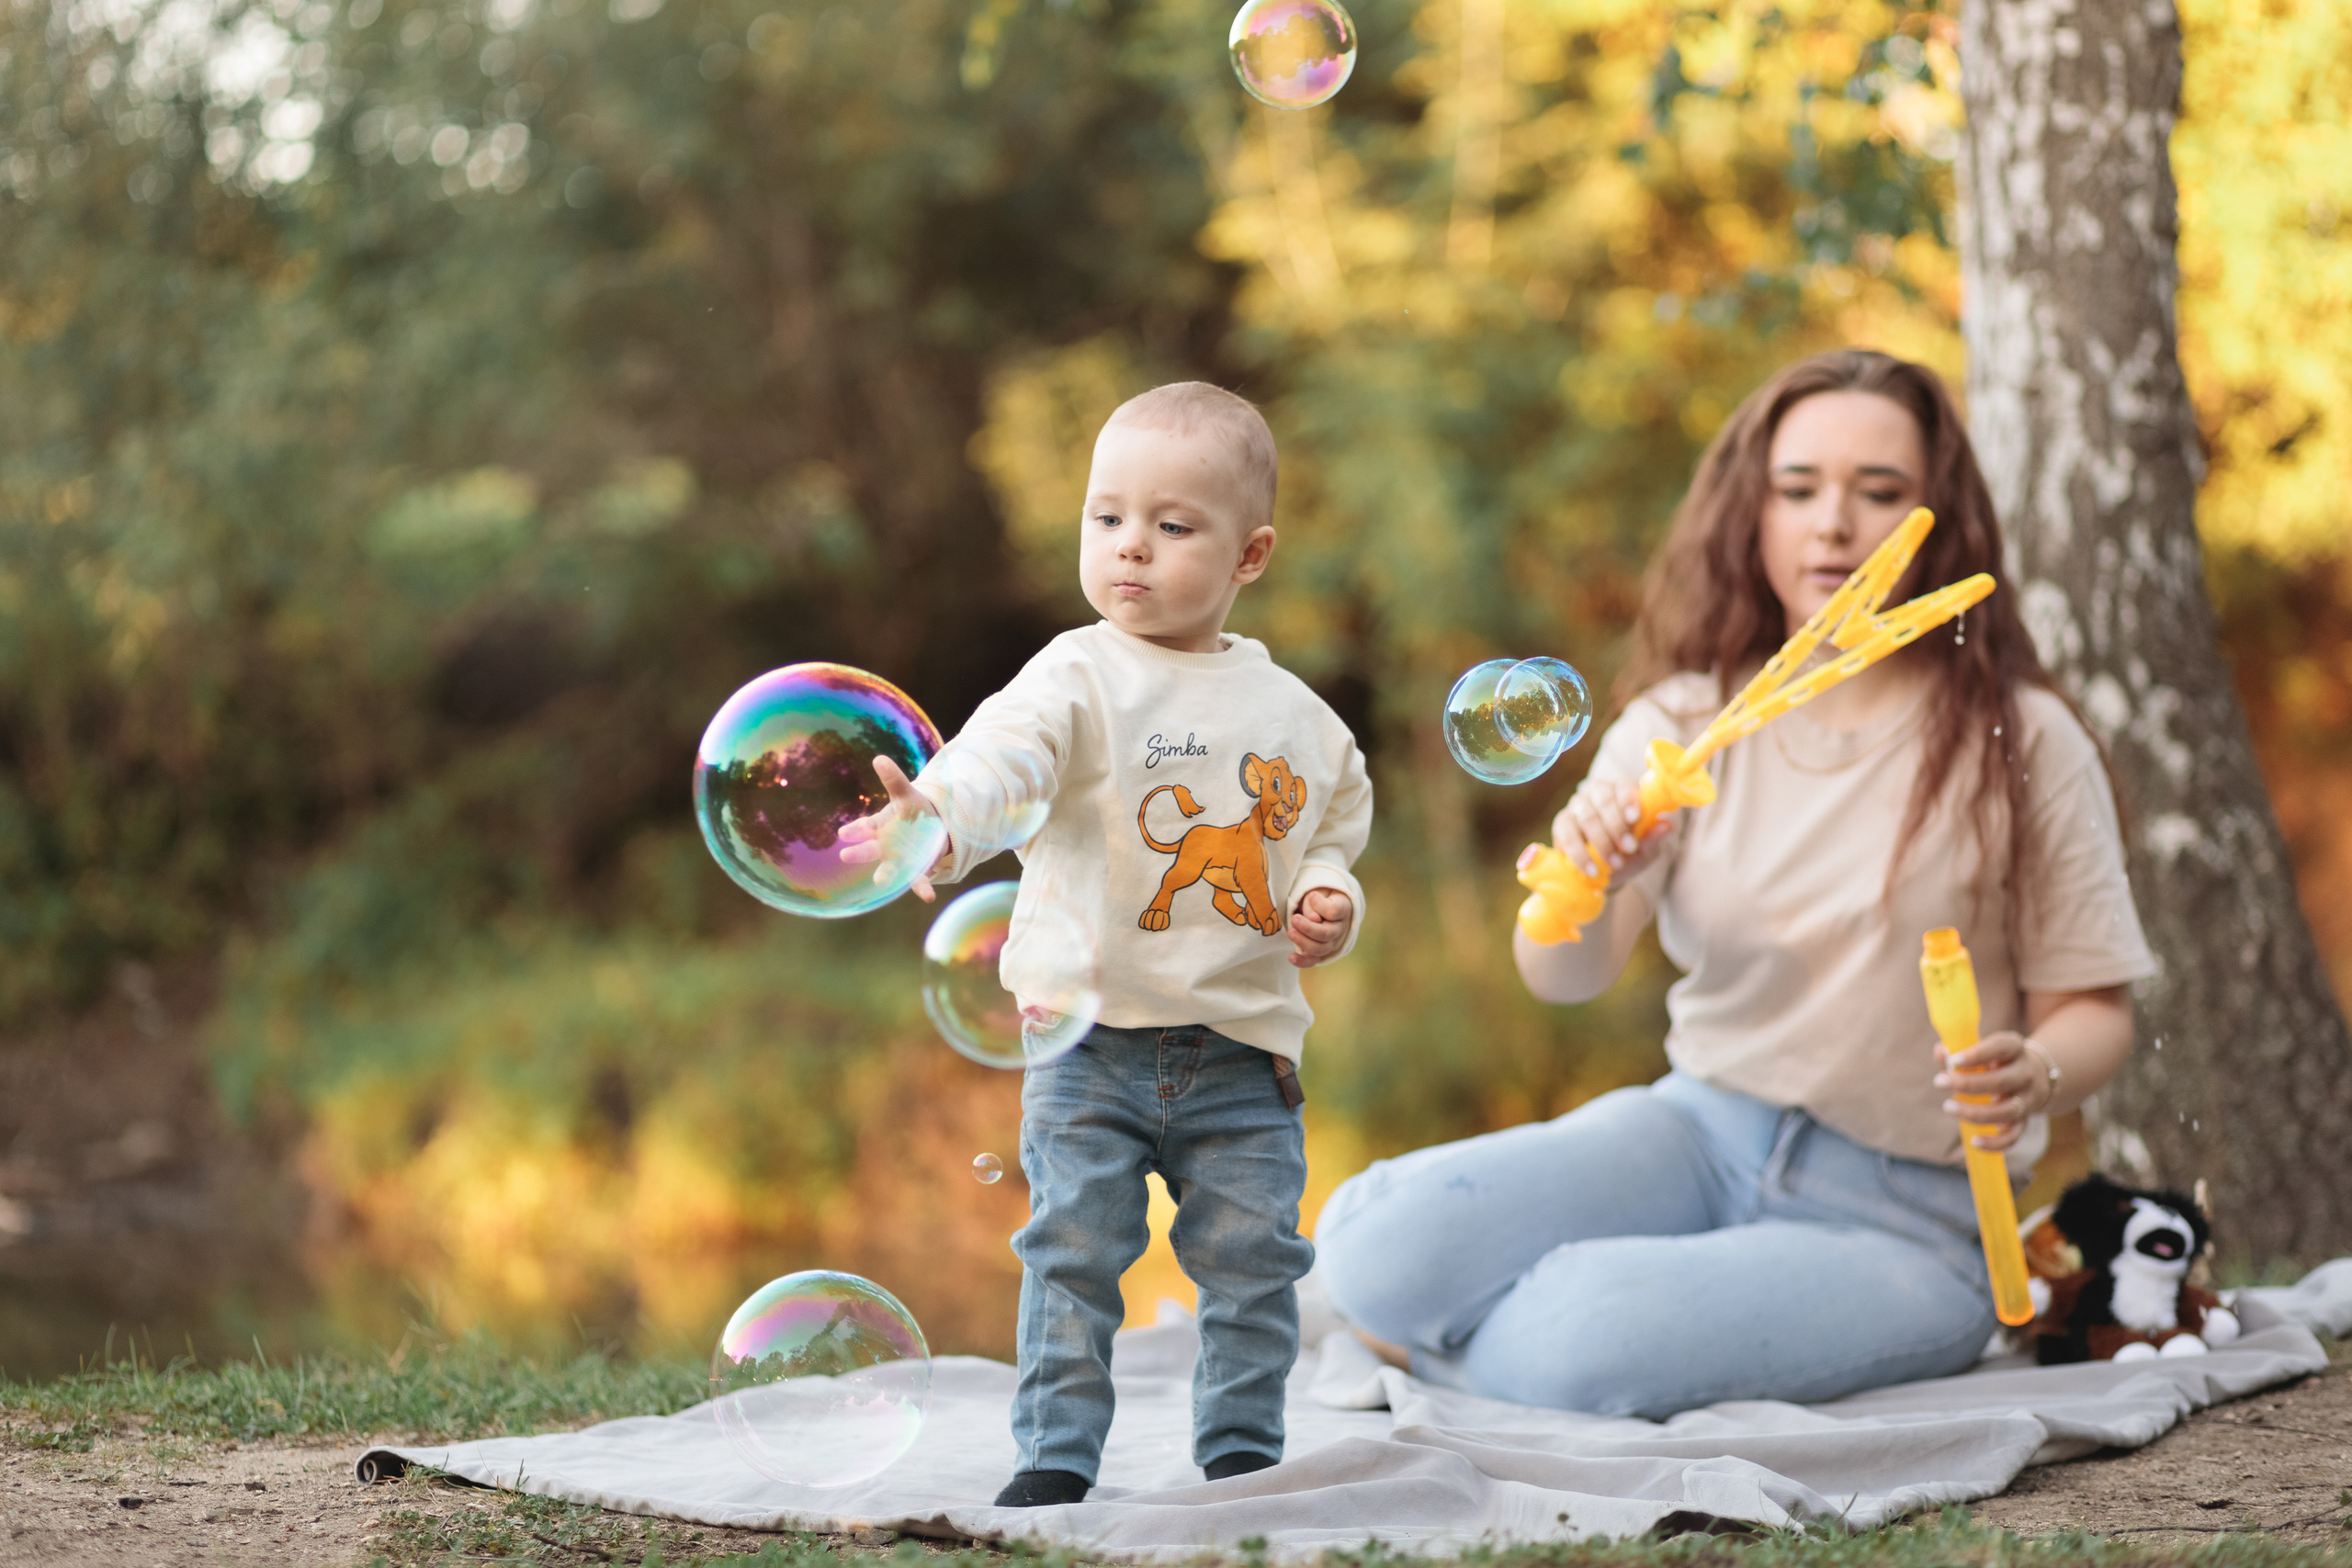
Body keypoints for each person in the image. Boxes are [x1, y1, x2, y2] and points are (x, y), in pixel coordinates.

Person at [1314, 349, 2154, 1417]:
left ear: (1937, 516)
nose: (1832, 526)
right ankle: (1549, 1335)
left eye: (1879, 493)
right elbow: (1564, 977)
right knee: (1374, 1247)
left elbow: (2096, 1014)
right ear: (1749, 512)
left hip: (1904, 1216)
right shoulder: (1678, 722)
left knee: (1568, 1337)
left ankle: (1507, 1351)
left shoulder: (2019, 736)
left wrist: (2035, 1069)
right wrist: (1584, 881)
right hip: (1695, 1136)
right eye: (1796, 489)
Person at [845, 382, 1374, 1506]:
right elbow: (1004, 765)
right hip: (1086, 1054)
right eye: (1107, 519)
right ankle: (1054, 1459)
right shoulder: (1074, 673)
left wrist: (1329, 899)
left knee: (1252, 1267)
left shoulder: (1298, 718)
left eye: (1173, 526)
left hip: (1243, 1053)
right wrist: (934, 818)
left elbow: (1330, 832)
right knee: (1072, 1258)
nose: (1131, 546)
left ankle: (1239, 1453)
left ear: (1249, 555)